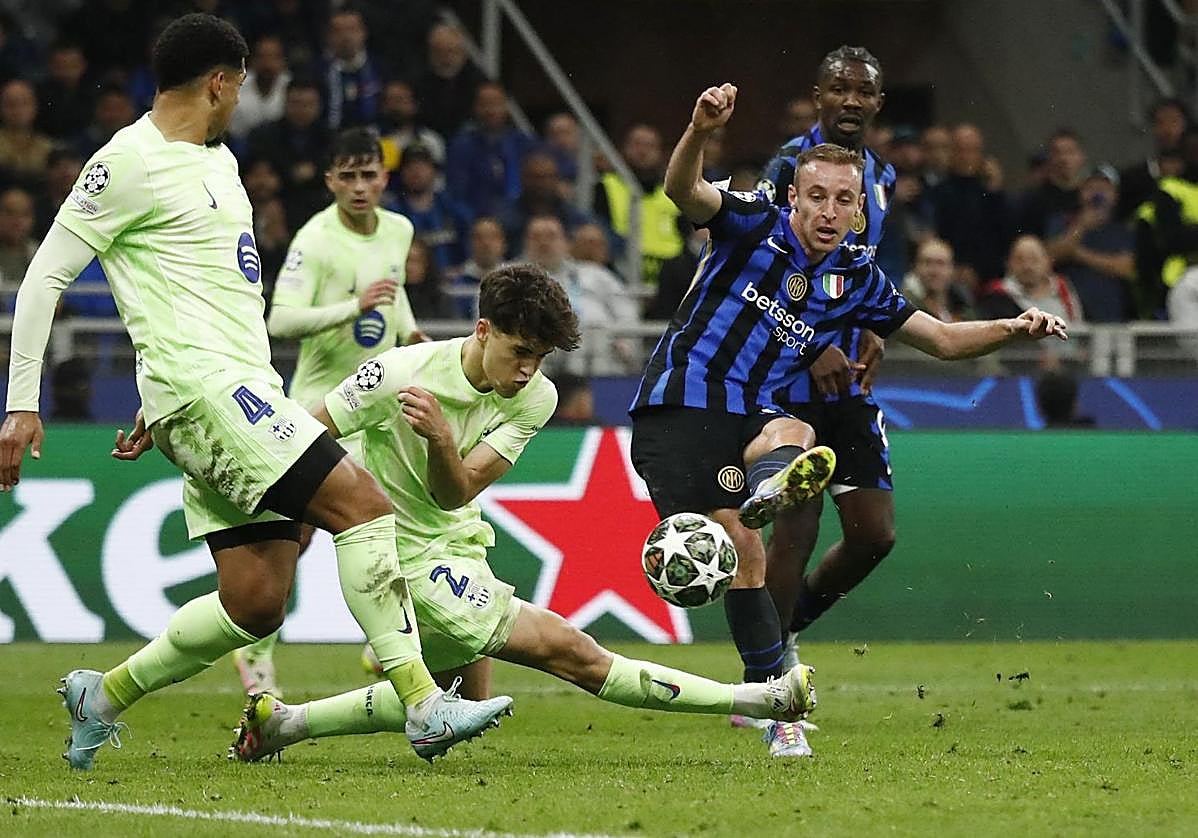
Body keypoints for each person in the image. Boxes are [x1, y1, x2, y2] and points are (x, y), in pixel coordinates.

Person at [0, 13, 512, 771]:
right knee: (364, 506)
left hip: (221, 392)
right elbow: (44, 276)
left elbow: (195, 293)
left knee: (256, 600)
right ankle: (422, 703)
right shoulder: (127, 162)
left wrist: (157, 398)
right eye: (238, 86)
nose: (239, 100)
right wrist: (22, 402)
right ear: (220, 81)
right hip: (211, 393)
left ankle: (100, 697)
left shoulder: (221, 163)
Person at [632, 83, 1068, 759]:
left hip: (751, 413)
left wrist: (1014, 326)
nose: (829, 211)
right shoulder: (751, 222)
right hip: (680, 407)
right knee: (744, 547)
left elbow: (942, 339)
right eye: (816, 196)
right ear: (793, 197)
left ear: (860, 209)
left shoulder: (856, 276)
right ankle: (771, 660)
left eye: (843, 199)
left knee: (796, 445)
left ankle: (776, 701)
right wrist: (699, 131)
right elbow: (682, 191)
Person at [229, 265, 818, 763]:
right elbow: (302, 442)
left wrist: (441, 441)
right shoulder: (398, 375)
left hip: (459, 544)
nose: (528, 370)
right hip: (406, 559)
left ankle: (284, 724)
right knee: (572, 652)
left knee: (449, 695)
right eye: (519, 352)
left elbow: (456, 492)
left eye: (539, 357)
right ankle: (762, 699)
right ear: (483, 330)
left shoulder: (537, 396)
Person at [238, 127, 425, 695]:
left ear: (384, 178)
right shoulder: (315, 240)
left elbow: (393, 290)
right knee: (294, 539)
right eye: (348, 176)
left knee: (402, 521)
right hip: (318, 409)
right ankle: (256, 653)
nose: (359, 187)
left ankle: (387, 643)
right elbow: (281, 320)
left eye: (369, 175)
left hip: (379, 407)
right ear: (330, 182)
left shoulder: (399, 229)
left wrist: (409, 332)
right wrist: (353, 308)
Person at [754, 46, 899, 751]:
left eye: (862, 91)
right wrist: (810, 343)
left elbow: (862, 267)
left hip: (849, 378)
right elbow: (751, 266)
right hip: (789, 374)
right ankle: (768, 679)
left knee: (875, 534)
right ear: (817, 96)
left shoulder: (882, 176)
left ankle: (783, 633)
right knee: (798, 527)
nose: (850, 100)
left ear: (877, 103)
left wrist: (874, 326)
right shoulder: (789, 166)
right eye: (838, 89)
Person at [1044, 165, 1135, 322]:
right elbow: (1049, 257)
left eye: (1103, 189)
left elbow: (1125, 268)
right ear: (1081, 192)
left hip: (1111, 316)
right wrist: (1080, 227)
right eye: (1091, 188)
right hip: (1070, 314)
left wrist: (1078, 254)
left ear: (1115, 195)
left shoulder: (1123, 229)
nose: (1097, 194)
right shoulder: (1062, 222)